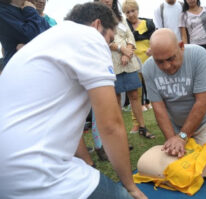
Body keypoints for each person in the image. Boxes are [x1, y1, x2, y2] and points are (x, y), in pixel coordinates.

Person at [0, 2, 147, 199]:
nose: (107, 46)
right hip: (34, 171)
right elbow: (110, 125)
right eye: (109, 38)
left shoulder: (44, 41)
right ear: (96, 25)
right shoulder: (89, 37)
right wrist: (130, 187)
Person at [142, 29, 206, 158]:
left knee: (202, 159)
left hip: (205, 120)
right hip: (176, 125)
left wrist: (182, 137)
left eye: (171, 58)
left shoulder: (198, 55)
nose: (167, 66)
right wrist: (172, 139)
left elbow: (203, 103)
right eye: (159, 62)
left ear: (181, 46)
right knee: (176, 159)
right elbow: (159, 108)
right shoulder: (148, 68)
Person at [96, 0, 155, 139]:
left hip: (128, 61)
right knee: (116, 99)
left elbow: (130, 36)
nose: (107, 1)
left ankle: (142, 128)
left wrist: (128, 51)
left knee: (134, 95)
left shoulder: (120, 18)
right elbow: (103, 39)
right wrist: (121, 49)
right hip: (111, 62)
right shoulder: (96, 20)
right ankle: (120, 134)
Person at [133, 139, 206, 195]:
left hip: (145, 162)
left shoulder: (189, 177)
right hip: (157, 150)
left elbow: (170, 178)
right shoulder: (201, 150)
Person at [122, 0, 156, 132]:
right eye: (127, 12)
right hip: (133, 64)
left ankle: (163, 118)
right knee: (135, 95)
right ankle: (137, 124)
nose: (131, 14)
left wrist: (152, 48)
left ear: (138, 10)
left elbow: (155, 38)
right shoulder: (123, 27)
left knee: (156, 90)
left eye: (133, 10)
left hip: (150, 61)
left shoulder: (148, 23)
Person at [0, 0, 50, 68]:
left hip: (37, 66)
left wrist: (33, 46)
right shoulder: (3, 11)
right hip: (18, 70)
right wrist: (30, 10)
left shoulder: (28, 8)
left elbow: (52, 36)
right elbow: (31, 35)